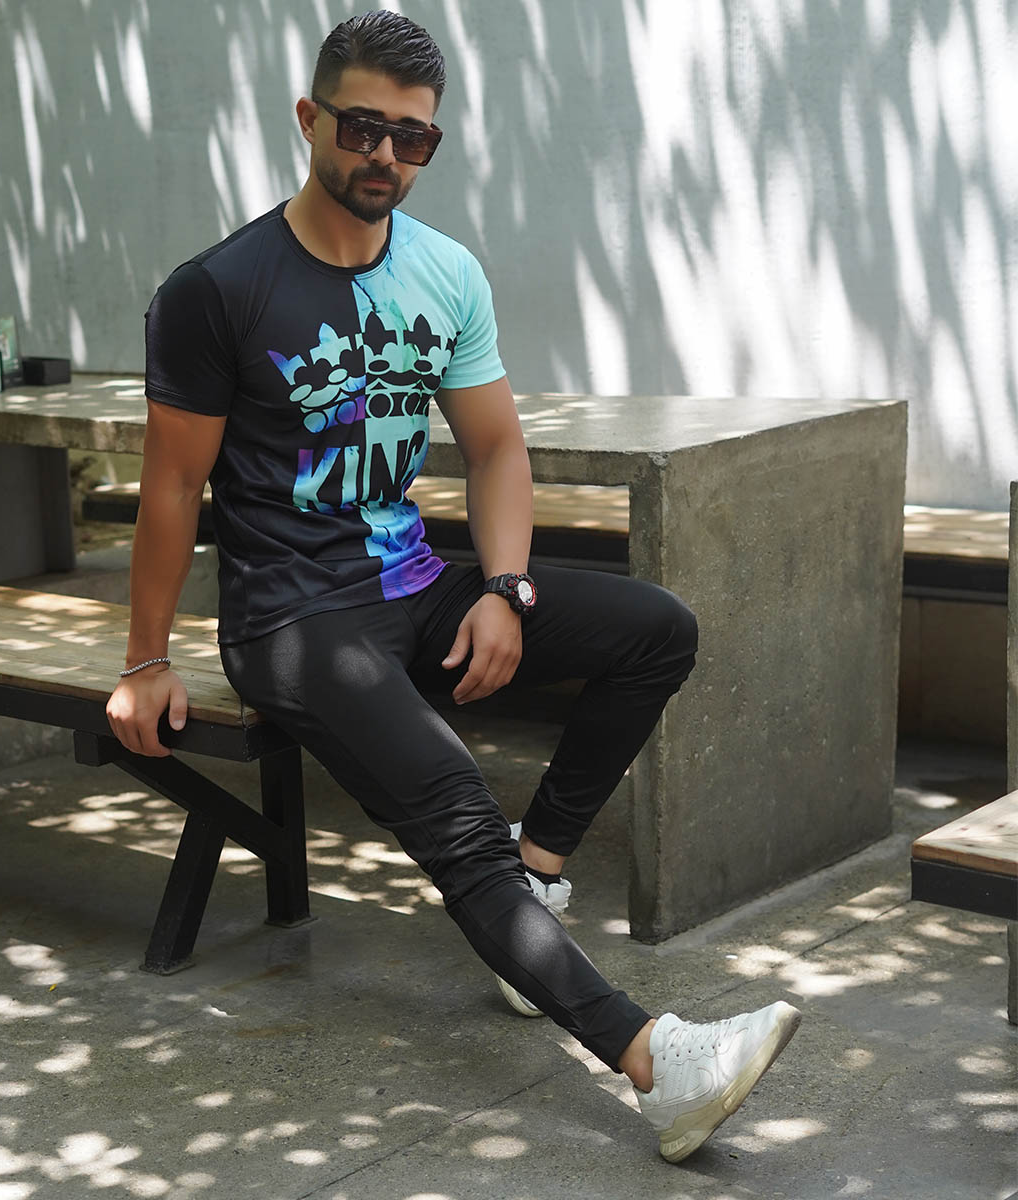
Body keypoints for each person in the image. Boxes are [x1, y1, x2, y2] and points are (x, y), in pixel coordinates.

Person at [106, 9, 800, 1164]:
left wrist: (508, 590)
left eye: (413, 137)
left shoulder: (445, 272)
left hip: (414, 581)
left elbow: (495, 450)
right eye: (362, 127)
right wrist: (144, 660)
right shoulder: (216, 290)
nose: (385, 154)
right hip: (291, 618)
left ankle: (538, 881)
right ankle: (655, 1063)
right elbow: (173, 487)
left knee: (656, 629)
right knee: (454, 802)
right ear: (309, 119)